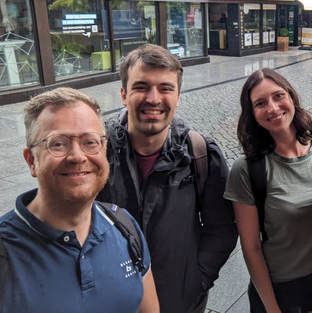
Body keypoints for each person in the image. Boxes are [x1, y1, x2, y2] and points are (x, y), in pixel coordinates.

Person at [97, 44, 237, 313]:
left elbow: (221, 227)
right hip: (110, 302)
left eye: (165, 88)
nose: (153, 98)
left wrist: (197, 280)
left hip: (180, 302)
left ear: (178, 96)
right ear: (124, 94)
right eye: (141, 87)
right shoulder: (97, 153)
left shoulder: (200, 154)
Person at [0, 87, 159, 312]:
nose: (77, 156)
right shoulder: (4, 251)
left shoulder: (125, 227)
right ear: (31, 161)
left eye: (90, 142)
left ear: (104, 150)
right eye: (58, 143)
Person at [224, 68, 312, 313]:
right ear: (251, 113)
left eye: (278, 96)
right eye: (260, 103)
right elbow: (251, 248)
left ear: (291, 97)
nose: (273, 108)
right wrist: (273, 309)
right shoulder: (246, 170)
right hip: (281, 290)